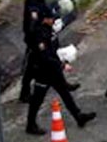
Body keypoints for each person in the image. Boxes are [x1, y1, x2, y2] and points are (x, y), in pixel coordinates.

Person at [25, 7, 95, 135]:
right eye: (52, 18)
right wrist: (62, 65)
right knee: (37, 99)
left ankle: (78, 116)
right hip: (43, 71)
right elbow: (44, 57)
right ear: (45, 19)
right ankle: (30, 124)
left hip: (53, 69)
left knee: (65, 93)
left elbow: (53, 49)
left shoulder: (49, 30)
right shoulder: (39, 34)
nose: (54, 20)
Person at [20, 0, 52, 103]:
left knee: (48, 60)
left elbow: (46, 12)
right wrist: (44, 21)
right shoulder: (32, 5)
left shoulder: (40, 1)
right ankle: (25, 93)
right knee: (31, 67)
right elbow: (32, 25)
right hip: (35, 40)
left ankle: (59, 83)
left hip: (43, 37)